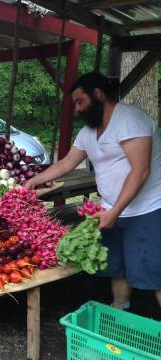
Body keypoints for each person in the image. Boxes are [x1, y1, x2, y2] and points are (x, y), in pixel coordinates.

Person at [25, 72, 161, 311]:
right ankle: (120, 309)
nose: (77, 109)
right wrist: (33, 182)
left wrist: (114, 211)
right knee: (117, 265)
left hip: (146, 209)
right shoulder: (89, 132)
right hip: (110, 210)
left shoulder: (130, 119)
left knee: (152, 270)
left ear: (98, 95)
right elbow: (66, 163)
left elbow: (141, 171)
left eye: (80, 102)